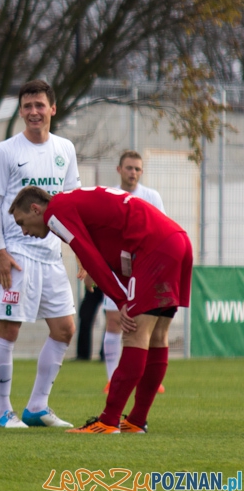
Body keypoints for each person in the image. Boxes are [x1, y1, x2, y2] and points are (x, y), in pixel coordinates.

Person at [9, 185, 192, 434]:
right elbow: (104, 242)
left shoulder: (55, 212)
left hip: (154, 247)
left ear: (35, 209)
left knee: (134, 334)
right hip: (177, 239)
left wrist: (121, 300)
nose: (24, 231)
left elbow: (88, 254)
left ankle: (108, 420)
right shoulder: (71, 202)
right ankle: (136, 421)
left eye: (22, 223)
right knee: (158, 336)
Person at [0, 79, 80, 429]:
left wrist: (80, 252)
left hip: (52, 257)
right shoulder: (5, 151)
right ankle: (3, 411)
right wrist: (1, 251)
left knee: (65, 329)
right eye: (27, 106)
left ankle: (37, 406)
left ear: (52, 108)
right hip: (18, 254)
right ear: (21, 111)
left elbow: (72, 204)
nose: (34, 112)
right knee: (9, 330)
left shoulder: (65, 148)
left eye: (40, 105)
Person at [102, 150, 166, 393]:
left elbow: (162, 229)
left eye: (137, 169)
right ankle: (112, 379)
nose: (133, 173)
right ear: (119, 169)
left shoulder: (151, 196)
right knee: (113, 322)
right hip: (116, 269)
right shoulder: (109, 196)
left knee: (147, 325)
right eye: (129, 168)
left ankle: (150, 378)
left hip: (145, 270)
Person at [75, 284, 104, 361]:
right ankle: (82, 355)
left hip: (110, 281)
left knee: (111, 320)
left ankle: (106, 354)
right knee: (85, 315)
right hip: (95, 281)